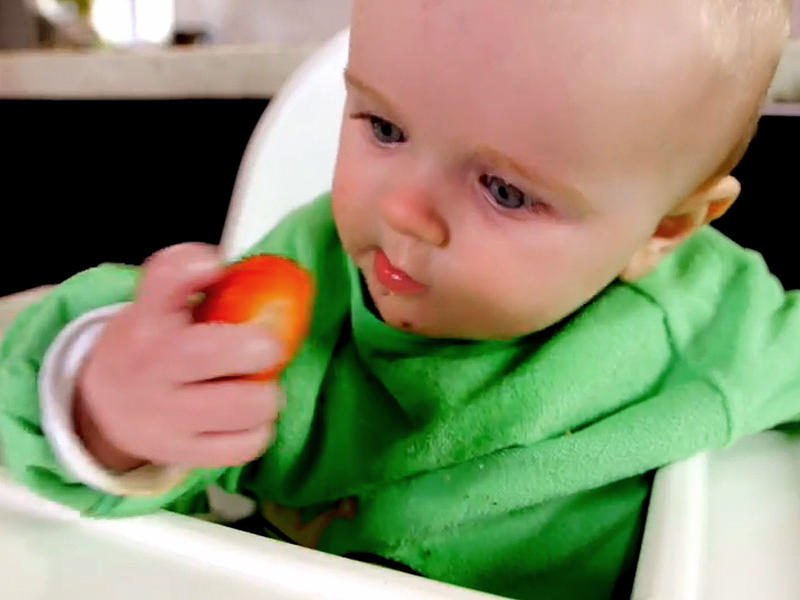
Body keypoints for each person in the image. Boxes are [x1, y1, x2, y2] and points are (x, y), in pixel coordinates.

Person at [0, 1, 793, 598]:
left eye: (506, 191)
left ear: (664, 228)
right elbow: (94, 409)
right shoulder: (304, 280)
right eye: (382, 126)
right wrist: (104, 406)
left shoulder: (715, 326)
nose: (402, 211)